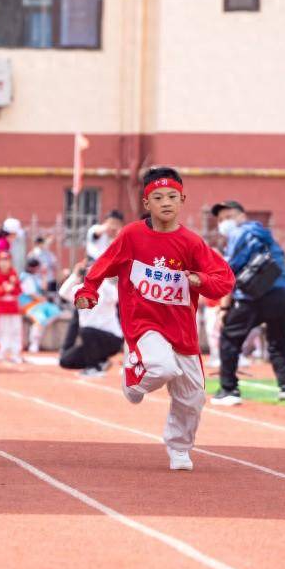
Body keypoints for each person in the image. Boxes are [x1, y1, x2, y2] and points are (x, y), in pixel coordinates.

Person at [75, 168, 234, 471]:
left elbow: (224, 279)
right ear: (147, 203)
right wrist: (89, 291)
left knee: (194, 397)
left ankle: (179, 448)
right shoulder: (133, 235)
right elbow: (103, 265)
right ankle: (134, 379)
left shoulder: (191, 243)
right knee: (161, 366)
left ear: (182, 199)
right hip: (143, 323)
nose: (165, 202)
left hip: (182, 331)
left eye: (172, 197)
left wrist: (200, 279)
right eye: (157, 197)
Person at [211, 199, 285, 405]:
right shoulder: (264, 234)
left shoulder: (240, 233)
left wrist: (224, 307)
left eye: (229, 216)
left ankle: (228, 389)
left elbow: (228, 272)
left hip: (255, 296)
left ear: (242, 216)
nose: (224, 222)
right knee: (278, 340)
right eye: (221, 219)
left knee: (230, 339)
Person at [58, 265, 122, 376]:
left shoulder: (106, 290)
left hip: (111, 339)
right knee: (65, 360)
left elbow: (115, 297)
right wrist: (75, 275)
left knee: (86, 331)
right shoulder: (79, 289)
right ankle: (101, 362)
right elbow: (63, 292)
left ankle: (94, 368)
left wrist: (102, 276)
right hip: (91, 341)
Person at [0, 251, 23, 363]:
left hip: (13, 307)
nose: (4, 263)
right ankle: (2, 351)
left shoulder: (13, 276)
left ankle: (15, 352)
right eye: (2, 261)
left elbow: (19, 291)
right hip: (2, 307)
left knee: (15, 329)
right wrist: (4, 289)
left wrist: (12, 287)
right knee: (2, 330)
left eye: (6, 261)